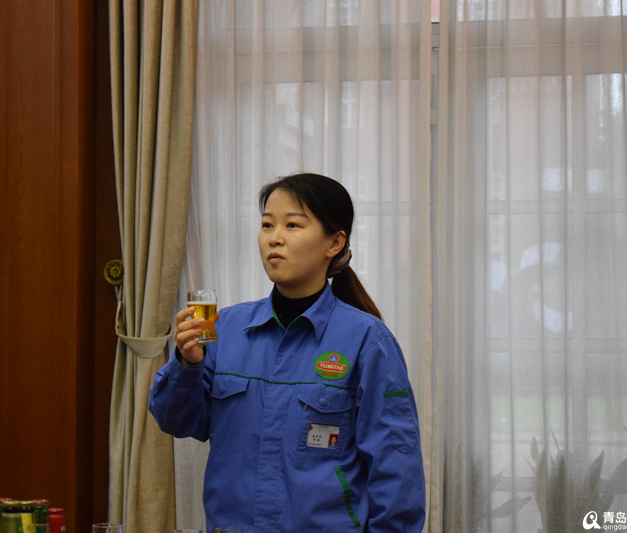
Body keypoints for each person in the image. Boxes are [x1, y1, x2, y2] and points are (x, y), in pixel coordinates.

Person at [150, 173, 425, 532]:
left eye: (293, 225)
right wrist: (186, 365)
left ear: (334, 242)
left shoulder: (367, 340)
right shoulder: (224, 328)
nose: (274, 238)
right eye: (267, 225)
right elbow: (176, 421)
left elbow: (396, 469)